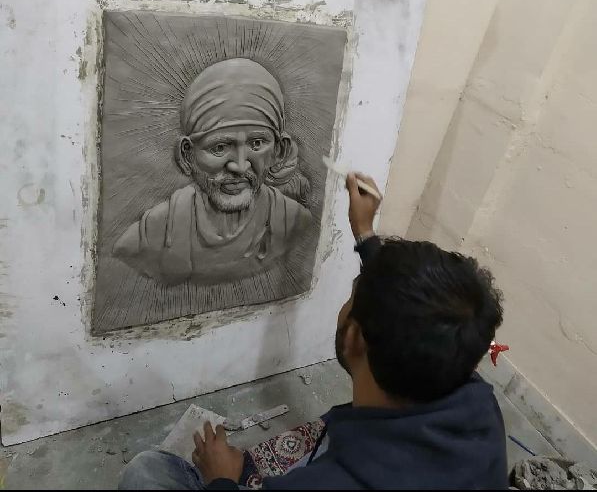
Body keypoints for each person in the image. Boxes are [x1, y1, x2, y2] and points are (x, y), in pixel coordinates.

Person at [119, 173, 508, 490]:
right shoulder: (476, 401)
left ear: (355, 337)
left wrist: (222, 478)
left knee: (147, 474)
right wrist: (365, 233)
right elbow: (412, 308)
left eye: (350, 298)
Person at [112, 58, 312, 286]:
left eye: (256, 144)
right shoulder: (150, 235)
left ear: (279, 150)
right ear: (187, 155)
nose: (239, 165)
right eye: (219, 147)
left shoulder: (295, 222)